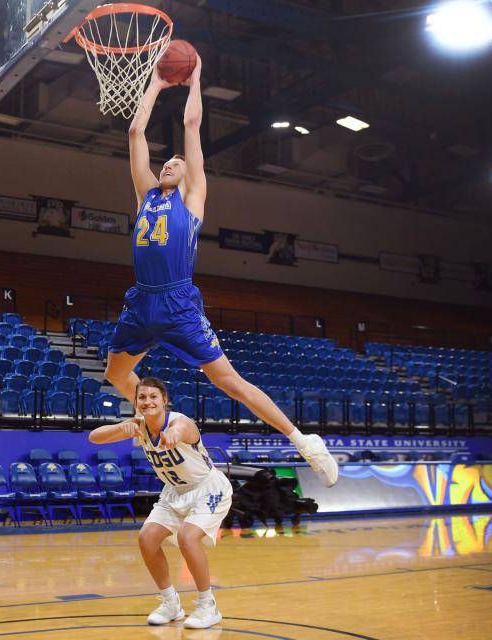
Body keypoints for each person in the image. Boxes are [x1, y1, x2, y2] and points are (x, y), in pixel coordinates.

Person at [105, 54, 338, 487]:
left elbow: (192, 127)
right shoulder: (145, 197)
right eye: (167, 162)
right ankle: (151, 422)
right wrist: (155, 83)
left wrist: (194, 83)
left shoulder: (190, 199)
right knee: (116, 375)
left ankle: (304, 441)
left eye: (178, 163)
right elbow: (136, 131)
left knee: (229, 381)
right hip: (140, 299)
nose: (170, 164)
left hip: (177, 301)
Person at [88, 377, 231, 628]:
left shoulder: (179, 422)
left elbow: (180, 431)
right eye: (142, 397)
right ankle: (170, 603)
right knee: (147, 538)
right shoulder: (138, 425)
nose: (147, 401)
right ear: (136, 402)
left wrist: (172, 436)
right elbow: (94, 437)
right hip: (174, 491)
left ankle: (208, 606)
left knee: (188, 538)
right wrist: (123, 427)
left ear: (164, 400)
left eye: (153, 396)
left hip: (207, 488)